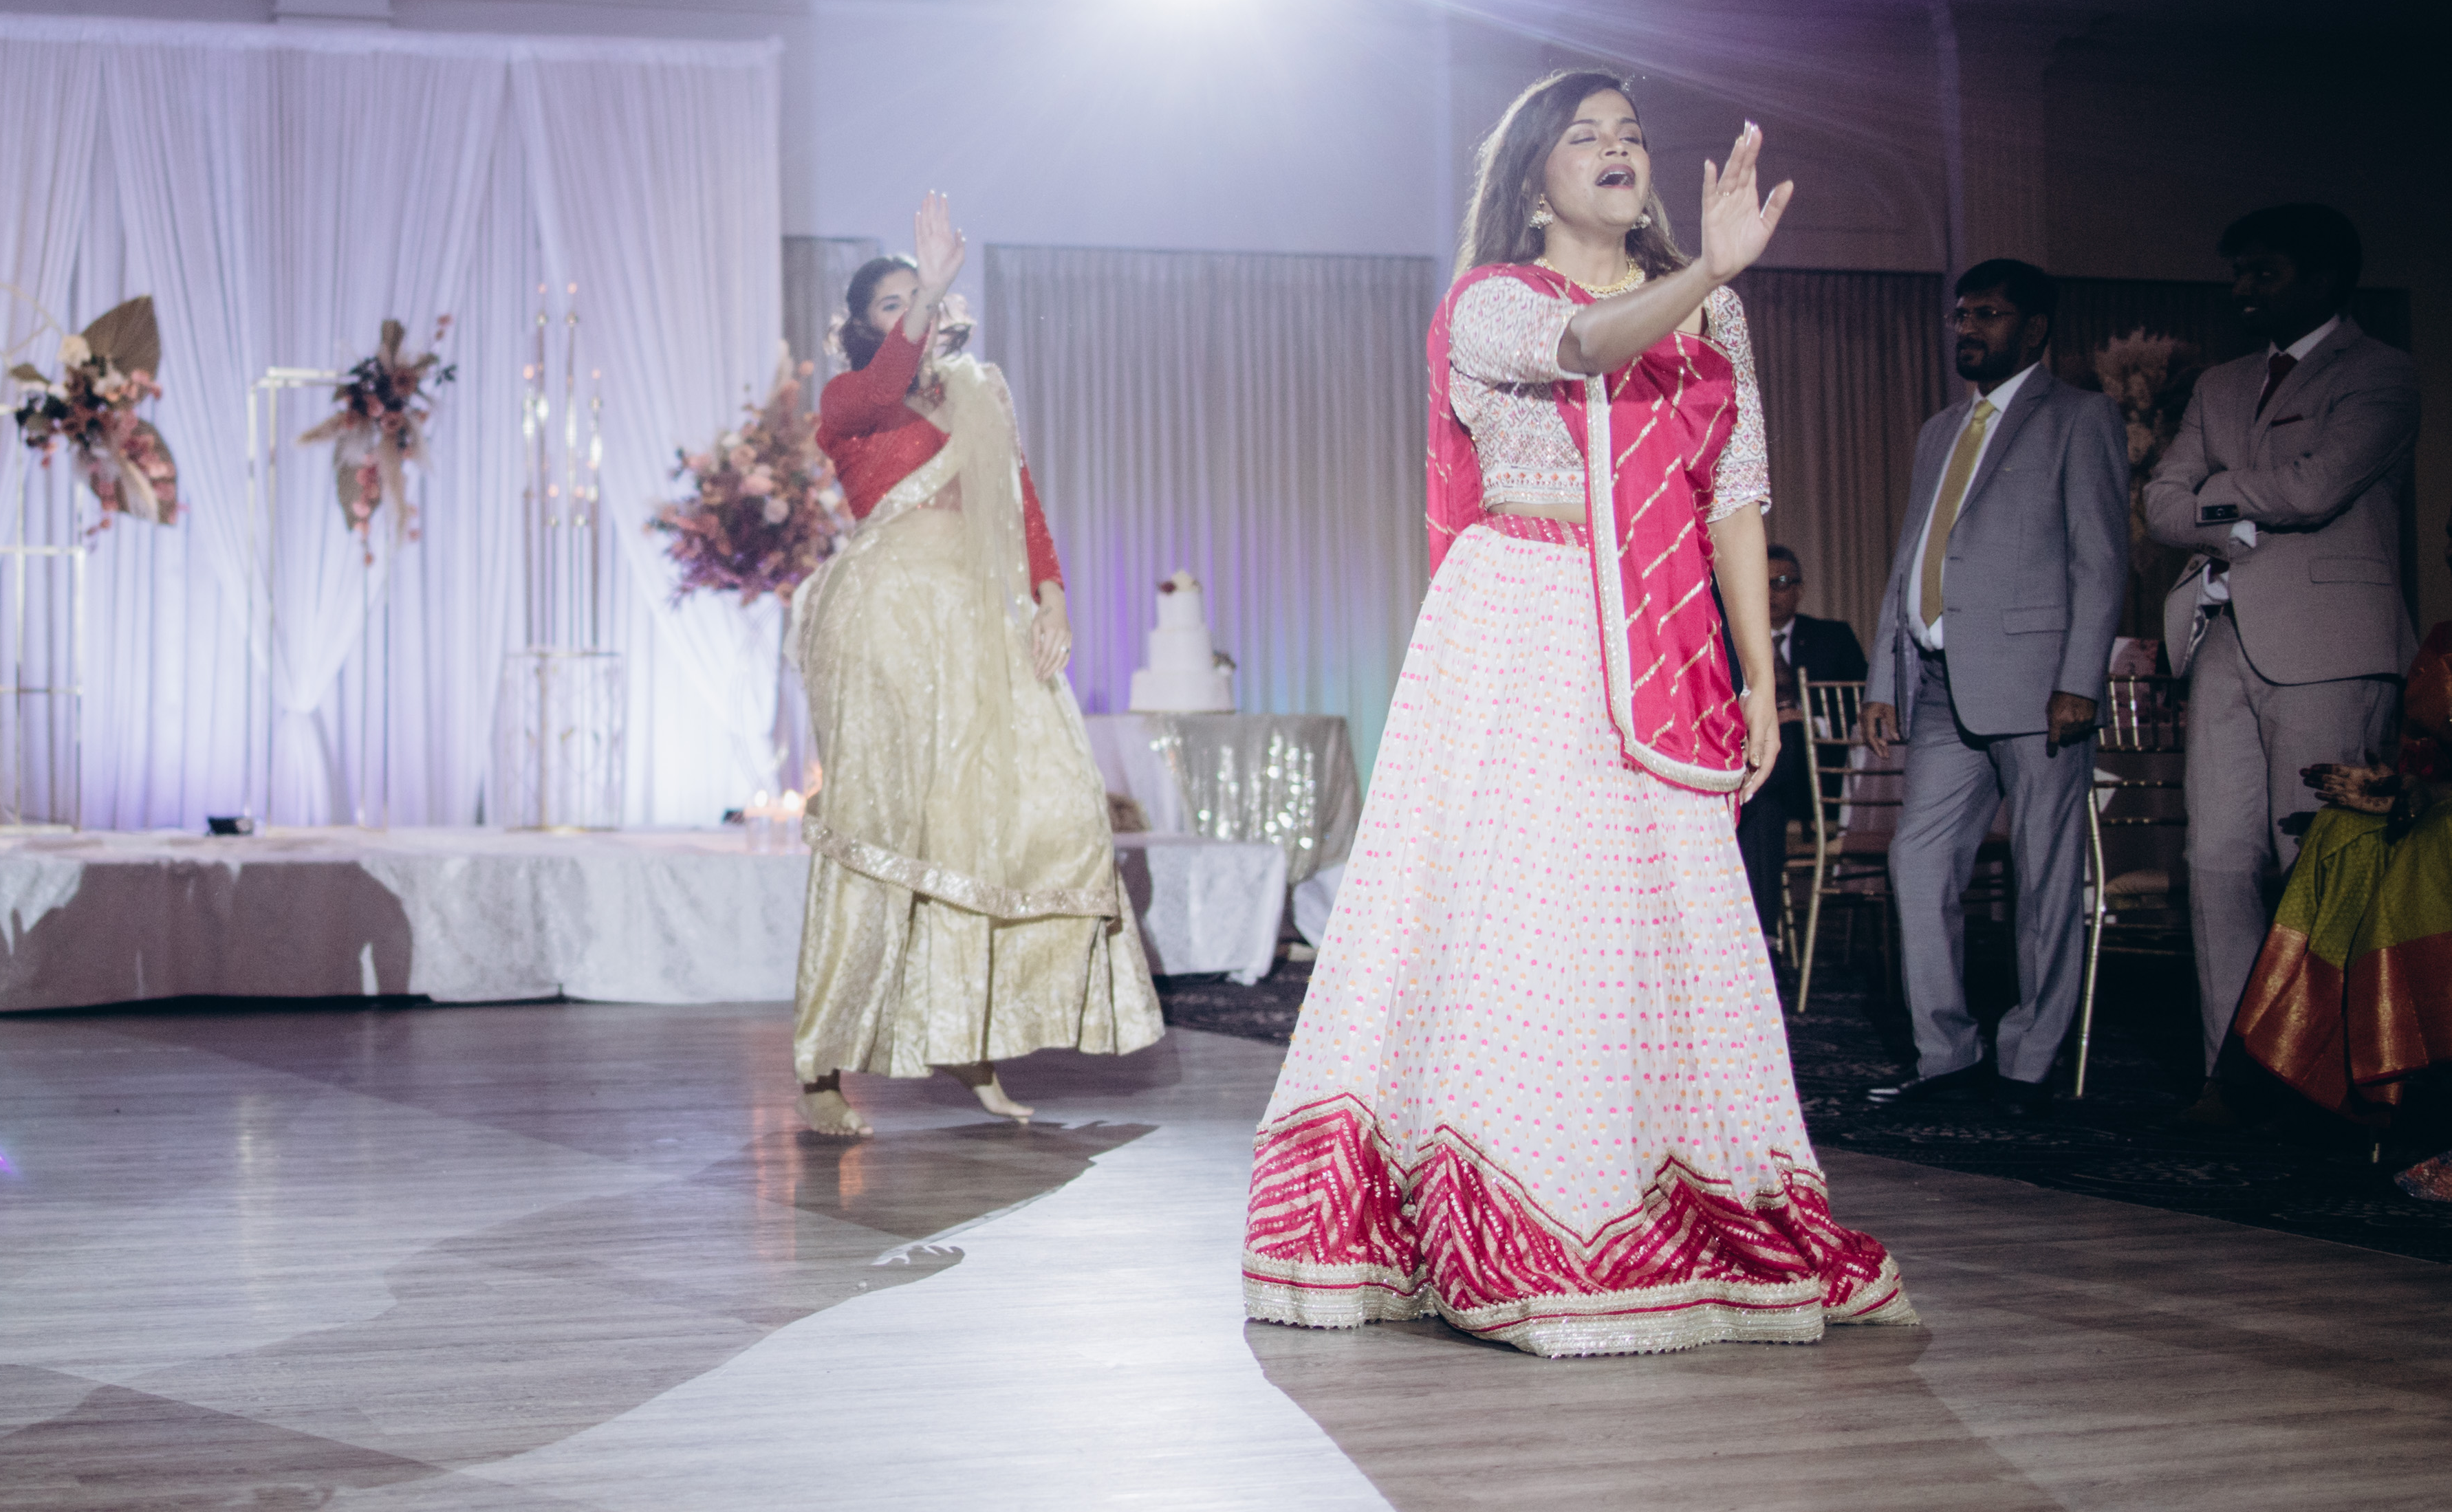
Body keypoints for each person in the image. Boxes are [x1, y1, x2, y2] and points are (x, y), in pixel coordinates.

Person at [1244, 71, 1913, 1357]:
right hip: (1525, 620)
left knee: (1663, 916)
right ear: (1532, 175)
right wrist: (1706, 272)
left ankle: (1661, 1191)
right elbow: (1588, 347)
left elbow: (1737, 494)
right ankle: (1520, 1206)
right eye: (1585, 136)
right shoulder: (1493, 299)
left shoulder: (1713, 309)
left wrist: (1760, 679)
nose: (1617, 149)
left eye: (1632, 134)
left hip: (1662, 632)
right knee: (1529, 912)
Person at [789, 192, 1162, 1135]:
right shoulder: (849, 403)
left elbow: (1020, 501)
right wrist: (930, 290)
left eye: (921, 297)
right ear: (861, 327)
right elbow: (884, 385)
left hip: (975, 622)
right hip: (885, 622)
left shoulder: (977, 394)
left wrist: (1051, 597)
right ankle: (823, 1063)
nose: (914, 309)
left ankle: (967, 1039)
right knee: (882, 826)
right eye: (892, 302)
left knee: (1005, 817)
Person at [2141, 204, 2420, 1117]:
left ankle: (2326, 1071)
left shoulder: (2380, 373)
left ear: (2325, 277)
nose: (2241, 290)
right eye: (2238, 273)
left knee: (2317, 862)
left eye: (2262, 272)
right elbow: (2159, 505)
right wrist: (2233, 508)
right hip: (2219, 639)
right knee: (2214, 858)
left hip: (2329, 647)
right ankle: (2231, 1072)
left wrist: (2215, 497)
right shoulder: (2219, 384)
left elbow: (2315, 487)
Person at [1858, 261, 2131, 1115]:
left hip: (2039, 689)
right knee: (1916, 860)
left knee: (2042, 875)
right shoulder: (1939, 429)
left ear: (2034, 327)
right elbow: (1911, 555)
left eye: (1987, 314)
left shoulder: (2080, 417)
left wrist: (2077, 681)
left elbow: (2100, 560)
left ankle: (2026, 1064)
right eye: (1960, 314)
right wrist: (1883, 677)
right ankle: (1945, 1057)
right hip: (1939, 684)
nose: (1966, 328)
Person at [2233, 525, 2452, 1201]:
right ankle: (2331, 1082)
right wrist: (2390, 788)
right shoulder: (2443, 644)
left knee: (2429, 848)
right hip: (2437, 805)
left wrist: (2423, 797)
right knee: (2339, 833)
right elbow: (2426, 761)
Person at [1733, 540, 1867, 940]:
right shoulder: (1734, 641)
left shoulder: (1832, 637)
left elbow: (1863, 704)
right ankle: (1763, 939)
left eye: (1782, 582)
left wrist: (1809, 722)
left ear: (1800, 589)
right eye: (1763, 582)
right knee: (1764, 809)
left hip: (1821, 778)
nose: (1772, 592)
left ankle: (1744, 787)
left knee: (1786, 737)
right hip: (1767, 781)